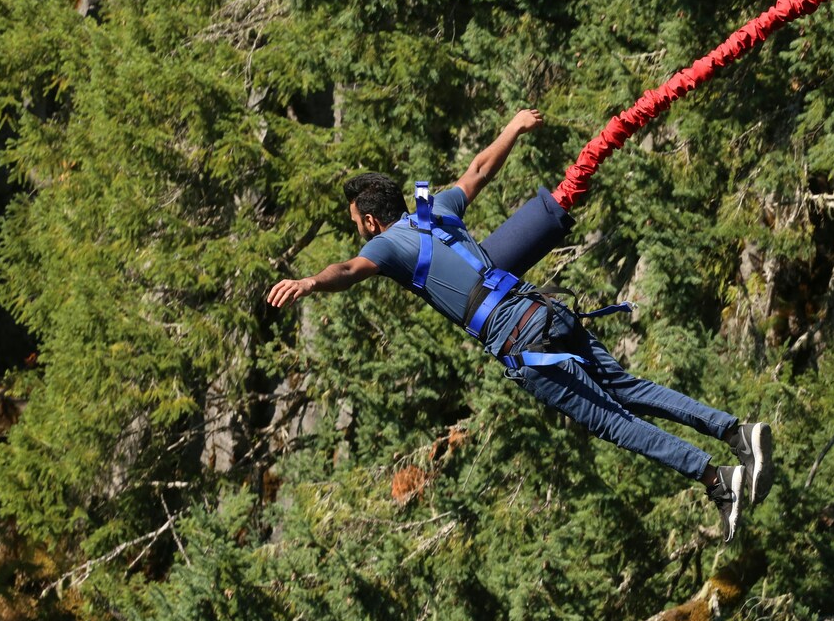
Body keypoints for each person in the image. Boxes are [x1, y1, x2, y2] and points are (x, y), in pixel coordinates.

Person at [266, 109, 773, 542]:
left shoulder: (385, 245)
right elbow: (479, 171)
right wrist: (512, 128)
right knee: (628, 389)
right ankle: (735, 432)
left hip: (518, 339)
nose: (358, 232)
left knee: (613, 421)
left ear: (371, 222)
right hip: (543, 308)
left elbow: (349, 271)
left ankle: (716, 479)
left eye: (356, 223)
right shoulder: (434, 210)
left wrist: (311, 282)